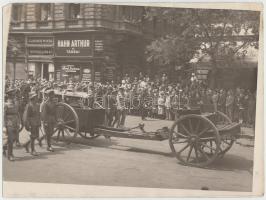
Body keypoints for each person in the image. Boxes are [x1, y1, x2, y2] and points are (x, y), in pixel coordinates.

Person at [3, 88, 20, 161]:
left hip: (15, 122)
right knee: (10, 139)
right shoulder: (5, 105)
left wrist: (19, 122)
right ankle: (10, 155)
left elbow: (17, 113)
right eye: (12, 95)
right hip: (9, 123)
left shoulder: (16, 103)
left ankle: (3, 147)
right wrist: (4, 126)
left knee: (14, 138)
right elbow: (3, 115)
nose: (14, 96)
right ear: (9, 96)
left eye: (14, 95)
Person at [23, 92, 41, 156]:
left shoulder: (37, 105)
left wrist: (39, 122)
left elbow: (38, 114)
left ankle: (26, 144)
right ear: (32, 98)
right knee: (33, 136)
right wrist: (27, 125)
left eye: (36, 97)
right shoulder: (29, 106)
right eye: (35, 97)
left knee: (35, 136)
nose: (36, 98)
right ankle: (33, 150)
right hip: (31, 123)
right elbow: (26, 116)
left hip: (36, 122)